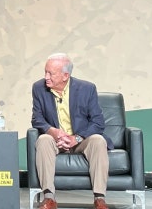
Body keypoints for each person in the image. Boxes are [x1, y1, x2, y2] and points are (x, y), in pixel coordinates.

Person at [31, 53, 113, 209]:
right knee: (43, 140)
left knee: (98, 140)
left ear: (65, 75)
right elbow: (37, 119)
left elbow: (98, 122)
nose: (46, 77)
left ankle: (99, 199)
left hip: (80, 139)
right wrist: (53, 131)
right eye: (45, 72)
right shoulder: (38, 88)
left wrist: (77, 138)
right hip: (56, 140)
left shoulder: (87, 89)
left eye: (51, 73)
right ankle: (49, 198)